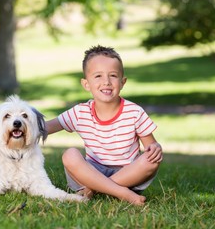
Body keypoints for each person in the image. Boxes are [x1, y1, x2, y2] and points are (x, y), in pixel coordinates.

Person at [46, 45, 163, 205]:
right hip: (90, 173)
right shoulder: (80, 112)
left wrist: (155, 148)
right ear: (86, 84)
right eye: (98, 76)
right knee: (69, 155)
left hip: (128, 174)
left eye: (113, 76)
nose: (106, 82)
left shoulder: (134, 112)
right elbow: (45, 127)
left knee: (152, 160)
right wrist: (19, 126)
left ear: (123, 82)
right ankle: (121, 193)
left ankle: (93, 189)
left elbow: (151, 146)